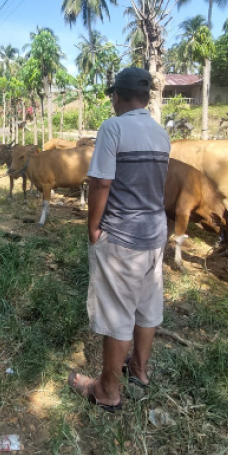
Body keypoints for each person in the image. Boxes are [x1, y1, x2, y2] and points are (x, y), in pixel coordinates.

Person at [68, 67, 170, 412]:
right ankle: (139, 372)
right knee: (147, 307)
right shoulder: (160, 134)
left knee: (117, 313)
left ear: (117, 95)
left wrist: (93, 227)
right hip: (155, 235)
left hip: (122, 237)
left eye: (112, 95)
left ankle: (107, 391)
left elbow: (100, 184)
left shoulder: (113, 128)